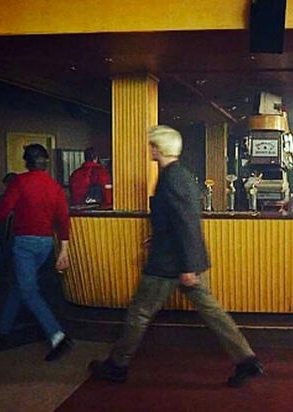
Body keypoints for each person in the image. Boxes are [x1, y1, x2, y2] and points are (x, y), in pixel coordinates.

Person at [89, 125, 263, 387]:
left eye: (151, 145)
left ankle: (117, 366)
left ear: (158, 148)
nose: (149, 149)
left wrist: (187, 266)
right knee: (213, 313)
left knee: (140, 313)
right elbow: (178, 220)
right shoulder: (181, 175)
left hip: (170, 263)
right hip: (182, 258)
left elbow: (186, 223)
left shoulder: (171, 178)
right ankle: (246, 360)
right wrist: (163, 240)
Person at [0, 144, 72, 361]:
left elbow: (3, 209)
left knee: (28, 290)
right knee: (20, 286)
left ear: (26, 162)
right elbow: (63, 220)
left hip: (25, 244)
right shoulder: (55, 186)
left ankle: (58, 335)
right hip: (46, 244)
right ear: (46, 163)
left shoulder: (20, 182)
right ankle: (2, 330)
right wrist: (64, 250)